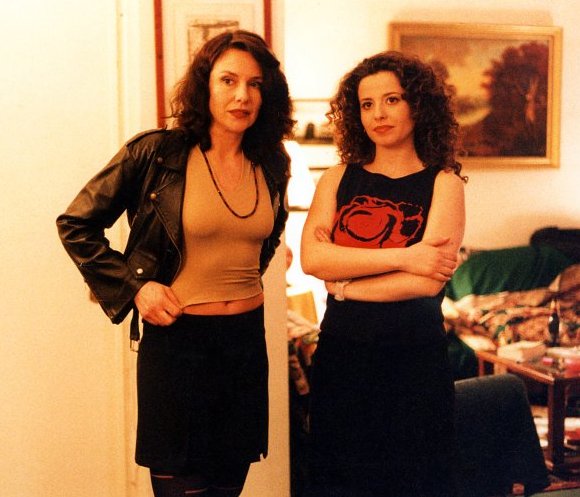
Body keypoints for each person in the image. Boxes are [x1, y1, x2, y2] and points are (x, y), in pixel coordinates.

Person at [56, 30, 293, 497]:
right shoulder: (157, 153)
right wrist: (135, 287)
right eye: (228, 80)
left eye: (255, 84)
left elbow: (267, 237)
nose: (243, 96)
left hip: (245, 347)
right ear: (205, 85)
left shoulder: (271, 162)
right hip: (179, 347)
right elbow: (76, 224)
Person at [300, 50, 466, 497]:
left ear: (418, 105)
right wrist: (405, 256)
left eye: (391, 100)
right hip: (342, 360)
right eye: (367, 104)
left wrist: (344, 285)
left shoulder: (444, 183)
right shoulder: (337, 178)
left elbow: (426, 281)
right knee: (340, 484)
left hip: (415, 365)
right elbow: (313, 259)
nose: (378, 114)